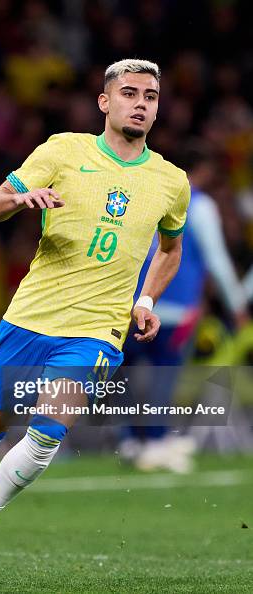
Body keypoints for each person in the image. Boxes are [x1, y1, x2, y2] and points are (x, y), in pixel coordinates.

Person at [0, 58, 190, 582]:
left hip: (97, 328)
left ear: (157, 108)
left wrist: (146, 302)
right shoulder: (63, 150)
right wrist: (22, 198)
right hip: (31, 315)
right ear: (105, 102)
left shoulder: (171, 182)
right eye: (129, 92)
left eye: (150, 96)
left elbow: (170, 250)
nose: (140, 103)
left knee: (48, 430)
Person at [118, 145, 249, 473]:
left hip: (134, 303)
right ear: (201, 170)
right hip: (177, 307)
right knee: (164, 376)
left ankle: (131, 440)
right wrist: (235, 304)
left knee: (128, 375)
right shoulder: (200, 204)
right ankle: (157, 442)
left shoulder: (148, 196)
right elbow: (216, 258)